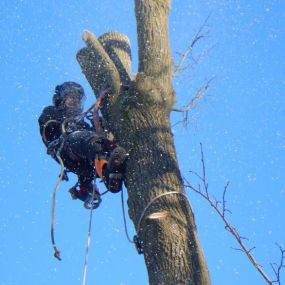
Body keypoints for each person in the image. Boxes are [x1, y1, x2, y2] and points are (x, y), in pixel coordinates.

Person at [38, 81, 127, 207]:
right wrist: (64, 126)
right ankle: (108, 173)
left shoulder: (83, 125)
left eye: (78, 99)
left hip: (86, 163)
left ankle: (113, 168)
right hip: (66, 149)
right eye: (72, 97)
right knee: (87, 139)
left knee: (97, 140)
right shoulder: (52, 112)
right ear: (61, 100)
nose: (75, 102)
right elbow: (48, 128)